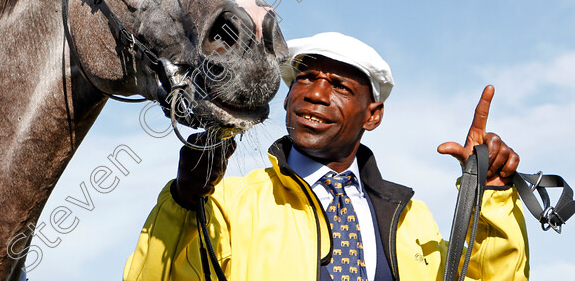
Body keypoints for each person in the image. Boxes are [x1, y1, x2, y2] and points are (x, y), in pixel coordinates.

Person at [123, 32, 529, 281]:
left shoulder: (410, 220)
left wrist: (491, 192)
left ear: (373, 116)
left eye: (338, 85)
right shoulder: (229, 205)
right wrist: (184, 201)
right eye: (305, 78)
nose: (314, 94)